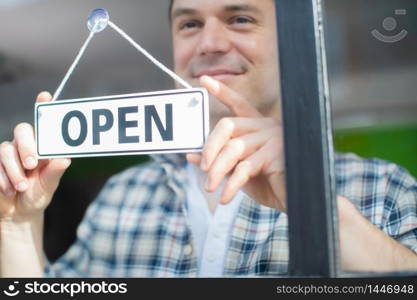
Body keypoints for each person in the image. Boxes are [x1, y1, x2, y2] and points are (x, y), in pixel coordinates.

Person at [1, 0, 416, 277]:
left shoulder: (385, 189)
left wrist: (322, 214)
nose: (210, 43)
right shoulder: (120, 196)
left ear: (294, 39)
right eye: (190, 23)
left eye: (240, 18)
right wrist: (17, 224)